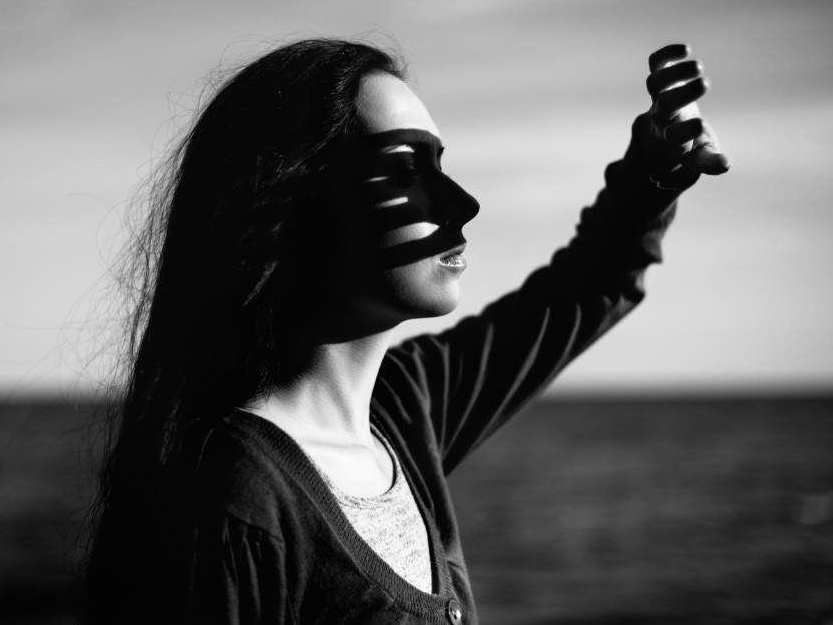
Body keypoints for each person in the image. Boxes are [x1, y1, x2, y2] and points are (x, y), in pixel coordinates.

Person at [80, 38, 729, 624]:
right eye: (405, 169)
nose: (462, 203)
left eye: (440, 164)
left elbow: (582, 292)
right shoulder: (236, 502)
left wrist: (652, 172)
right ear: (288, 199)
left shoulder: (404, 406)